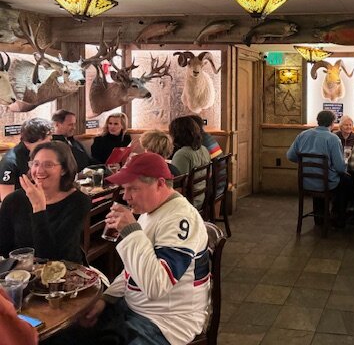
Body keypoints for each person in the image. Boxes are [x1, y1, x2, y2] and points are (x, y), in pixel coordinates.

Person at [57, 153, 209, 345]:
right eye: (124, 188)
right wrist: (106, 298)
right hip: (133, 307)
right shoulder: (150, 209)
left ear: (160, 184)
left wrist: (131, 232)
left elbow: (156, 286)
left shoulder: (180, 219)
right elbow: (132, 270)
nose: (125, 196)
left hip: (167, 322)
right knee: (67, 333)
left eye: (133, 189)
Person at [0, 141, 90, 262]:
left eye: (48, 165)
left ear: (64, 169)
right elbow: (3, 248)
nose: (39, 170)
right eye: (35, 164)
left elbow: (51, 257)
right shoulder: (13, 200)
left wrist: (39, 208)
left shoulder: (78, 201)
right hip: (21, 270)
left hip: (65, 269)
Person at [287, 110, 348, 226]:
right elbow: (340, 168)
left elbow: (290, 156)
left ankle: (319, 218)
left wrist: (305, 162)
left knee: (324, 179)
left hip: (305, 182)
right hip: (325, 184)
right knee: (346, 181)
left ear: (318, 121)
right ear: (332, 123)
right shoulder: (333, 138)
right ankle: (338, 218)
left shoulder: (303, 135)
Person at [170, 116, 210, 210]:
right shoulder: (204, 149)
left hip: (188, 202)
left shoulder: (182, 154)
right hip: (200, 197)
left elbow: (178, 184)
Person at [0, 118, 52, 191]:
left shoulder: (40, 154)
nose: (48, 147)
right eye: (44, 144)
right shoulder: (10, 162)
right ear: (28, 142)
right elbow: (6, 196)